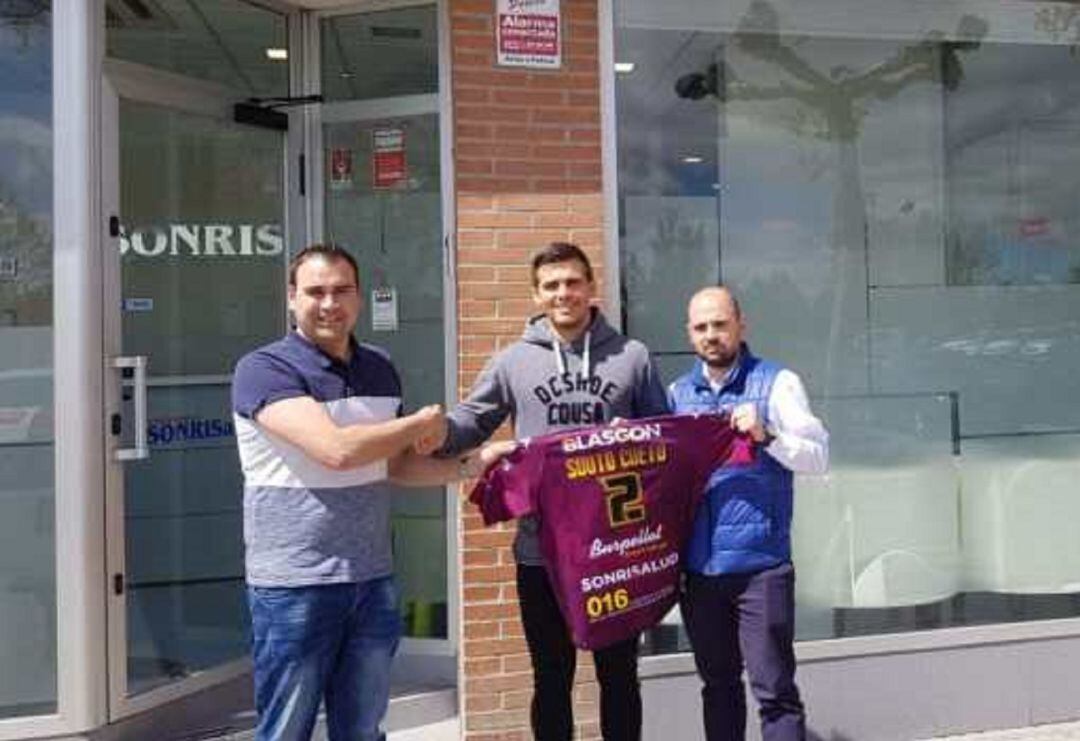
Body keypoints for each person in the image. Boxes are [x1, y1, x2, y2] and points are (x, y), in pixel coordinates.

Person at [231, 243, 502, 741]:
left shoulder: (379, 367)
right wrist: (418, 422)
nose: (329, 303)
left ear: (357, 297)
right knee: (285, 730)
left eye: (341, 290)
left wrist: (470, 466)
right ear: (292, 298)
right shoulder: (265, 369)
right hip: (294, 585)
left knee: (362, 729)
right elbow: (336, 450)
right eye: (315, 292)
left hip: (371, 579)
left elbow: (394, 465)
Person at [437, 242, 670, 741]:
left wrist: (641, 437)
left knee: (619, 675)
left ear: (590, 288)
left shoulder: (632, 356)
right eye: (551, 285)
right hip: (542, 551)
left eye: (572, 282)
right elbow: (470, 421)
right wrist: (428, 432)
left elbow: (666, 438)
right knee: (551, 677)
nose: (563, 293)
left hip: (615, 551)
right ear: (537, 295)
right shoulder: (513, 362)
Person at [667, 286, 829, 741]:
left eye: (720, 324)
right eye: (701, 327)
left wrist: (768, 434)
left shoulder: (778, 383)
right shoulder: (677, 394)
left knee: (774, 692)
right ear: (689, 333)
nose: (711, 335)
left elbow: (819, 458)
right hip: (701, 573)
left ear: (741, 325)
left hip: (761, 570)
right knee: (717, 688)